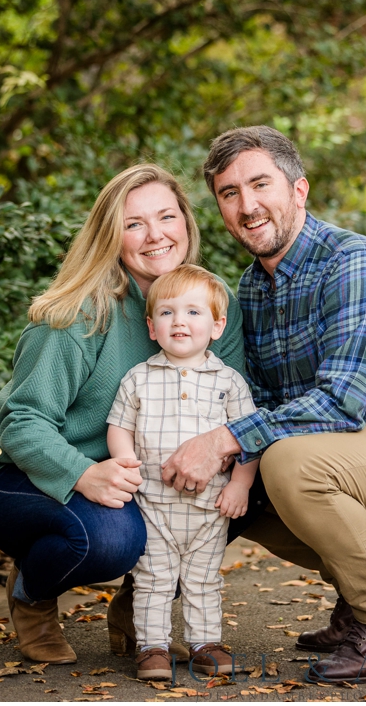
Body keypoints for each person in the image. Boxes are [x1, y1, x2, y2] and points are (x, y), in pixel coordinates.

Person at [161, 125, 366, 684]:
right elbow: (260, 402)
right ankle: (358, 602)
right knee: (241, 482)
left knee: (286, 462)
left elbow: (342, 403)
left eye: (259, 183)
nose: (247, 205)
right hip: (358, 459)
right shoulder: (250, 290)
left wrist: (224, 439)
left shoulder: (352, 262)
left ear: (298, 190)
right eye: (229, 193)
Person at [0, 164, 247, 665]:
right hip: (22, 475)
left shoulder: (209, 301)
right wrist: (83, 473)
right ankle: (32, 594)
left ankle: (142, 609)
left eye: (166, 216)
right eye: (134, 223)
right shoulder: (79, 313)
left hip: (139, 477)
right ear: (110, 236)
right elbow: (23, 423)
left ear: (186, 221)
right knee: (111, 540)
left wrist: (224, 462)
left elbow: (235, 405)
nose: (156, 234)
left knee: (237, 493)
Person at [106, 264, 257, 680]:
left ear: (217, 325)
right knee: (153, 579)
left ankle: (204, 642)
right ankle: (151, 647)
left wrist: (241, 485)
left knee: (203, 579)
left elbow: (248, 439)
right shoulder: (138, 379)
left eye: (194, 312)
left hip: (208, 508)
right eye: (168, 313)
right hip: (153, 504)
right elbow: (119, 427)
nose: (180, 322)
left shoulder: (229, 383)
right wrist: (127, 466)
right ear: (152, 327)